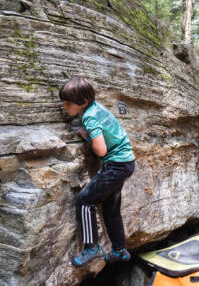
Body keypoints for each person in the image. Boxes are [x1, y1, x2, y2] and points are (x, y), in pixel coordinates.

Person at [59, 76, 135, 267]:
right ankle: (120, 250)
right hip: (126, 162)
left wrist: (87, 136)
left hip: (116, 166)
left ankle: (91, 247)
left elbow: (100, 150)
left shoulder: (89, 116)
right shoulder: (96, 108)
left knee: (85, 201)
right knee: (111, 208)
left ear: (83, 102)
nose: (65, 107)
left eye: (68, 103)